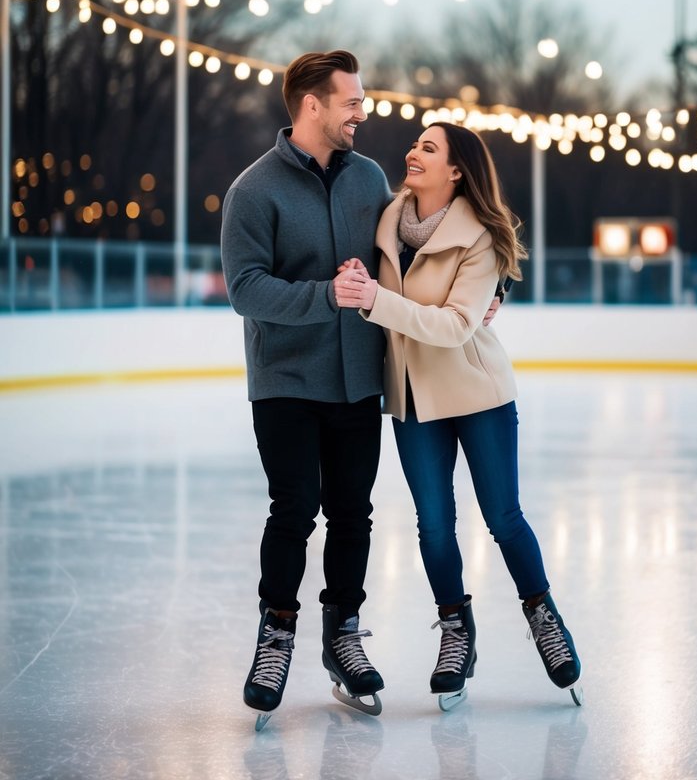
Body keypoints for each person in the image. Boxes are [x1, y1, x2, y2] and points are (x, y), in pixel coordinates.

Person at [333, 121, 582, 710]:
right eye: (416, 144)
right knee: (434, 526)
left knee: (503, 515)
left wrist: (376, 301)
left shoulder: (482, 236)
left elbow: (454, 325)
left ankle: (543, 615)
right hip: (414, 399)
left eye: (428, 148)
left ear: (457, 171)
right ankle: (456, 631)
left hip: (477, 394)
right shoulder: (387, 219)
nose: (411, 152)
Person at [220, 49, 392, 723]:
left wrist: (482, 280)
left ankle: (342, 635)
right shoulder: (253, 191)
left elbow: (409, 248)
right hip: (286, 380)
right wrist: (329, 296)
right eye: (350, 101)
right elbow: (245, 288)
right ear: (311, 106)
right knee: (294, 509)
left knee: (353, 513)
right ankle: (276, 634)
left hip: (357, 380)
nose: (361, 111)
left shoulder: (371, 179)